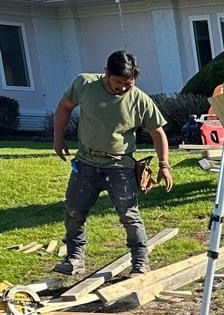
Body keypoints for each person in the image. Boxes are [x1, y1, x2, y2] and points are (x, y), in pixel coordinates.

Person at [52, 50, 172, 277]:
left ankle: (140, 263)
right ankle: (75, 258)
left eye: (129, 83)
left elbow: (158, 133)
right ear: (106, 73)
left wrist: (164, 165)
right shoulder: (84, 84)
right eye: (118, 82)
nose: (123, 88)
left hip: (120, 167)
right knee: (74, 210)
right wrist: (58, 137)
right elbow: (64, 107)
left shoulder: (139, 99)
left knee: (129, 215)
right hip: (86, 163)